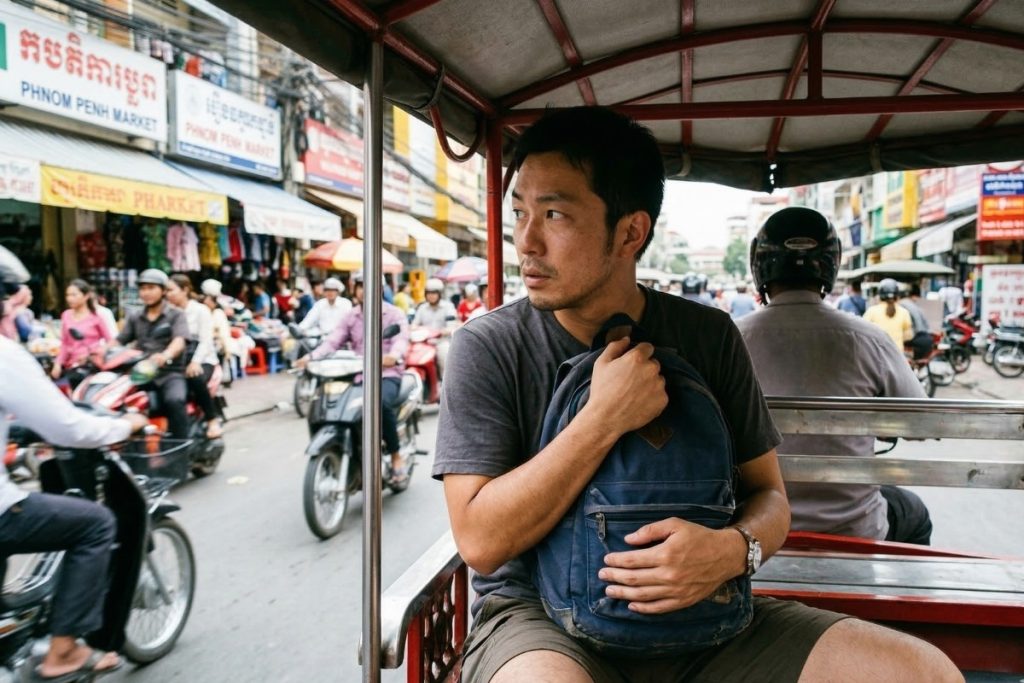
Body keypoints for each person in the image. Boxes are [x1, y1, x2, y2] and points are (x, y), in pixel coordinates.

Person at [433, 107, 959, 683]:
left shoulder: (707, 336)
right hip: (540, 623)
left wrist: (733, 552)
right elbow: (481, 541)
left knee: (922, 672)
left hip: (705, 619)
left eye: (554, 213)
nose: (526, 241)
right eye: (519, 213)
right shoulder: (489, 346)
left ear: (631, 231)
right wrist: (602, 418)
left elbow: (770, 500)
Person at [737, 207, 932, 545]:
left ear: (760, 266)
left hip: (755, 532)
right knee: (913, 512)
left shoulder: (731, 339)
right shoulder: (868, 338)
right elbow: (923, 425)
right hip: (855, 529)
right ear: (830, 265)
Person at [0, 245, 149, 682]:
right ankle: (63, 650)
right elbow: (68, 428)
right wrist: (125, 427)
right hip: (83, 407)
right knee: (96, 523)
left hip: (95, 381)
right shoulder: (7, 355)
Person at [296, 275, 411, 483]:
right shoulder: (351, 316)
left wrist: (393, 356)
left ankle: (395, 456)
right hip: (358, 375)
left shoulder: (393, 314)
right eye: (360, 286)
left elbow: (401, 340)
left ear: (380, 288)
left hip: (387, 374)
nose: (363, 290)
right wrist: (310, 357)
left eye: (368, 285)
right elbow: (332, 342)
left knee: (379, 403)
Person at [117, 269, 190, 440]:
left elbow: (179, 341)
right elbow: (119, 340)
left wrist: (165, 355)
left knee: (175, 401)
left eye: (151, 288)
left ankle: (180, 451)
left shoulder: (176, 315)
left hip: (169, 373)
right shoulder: (135, 316)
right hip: (140, 374)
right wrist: (100, 352)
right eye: (143, 288)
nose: (146, 293)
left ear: (163, 290)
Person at [166, 275, 223, 439]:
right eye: (166, 291)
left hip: (203, 359)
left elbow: (206, 341)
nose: (168, 295)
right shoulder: (168, 312)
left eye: (171, 290)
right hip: (176, 360)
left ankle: (212, 419)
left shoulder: (200, 310)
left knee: (195, 378)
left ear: (185, 290)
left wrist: (195, 362)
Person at [51, 279, 113, 384]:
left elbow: (110, 342)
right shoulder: (66, 315)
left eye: (74, 295)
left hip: (89, 367)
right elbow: (65, 343)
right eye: (67, 295)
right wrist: (58, 364)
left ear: (86, 296)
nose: (69, 299)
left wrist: (93, 354)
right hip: (70, 365)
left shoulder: (96, 317)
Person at [411, 278, 457, 378]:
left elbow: (452, 326)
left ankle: (445, 383)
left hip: (441, 342)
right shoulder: (422, 307)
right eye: (429, 293)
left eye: (434, 293)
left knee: (444, 358)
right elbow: (414, 324)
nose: (431, 296)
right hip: (424, 343)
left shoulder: (448, 307)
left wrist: (441, 332)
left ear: (440, 294)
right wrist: (414, 328)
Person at [864, 279, 913, 352]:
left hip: (877, 353)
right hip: (897, 354)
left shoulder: (871, 311)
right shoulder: (904, 312)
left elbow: (864, 333)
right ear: (897, 295)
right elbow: (908, 336)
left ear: (880, 295)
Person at [900, 284, 934, 360]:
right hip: (922, 337)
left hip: (914, 337)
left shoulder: (903, 305)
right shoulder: (910, 306)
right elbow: (922, 325)